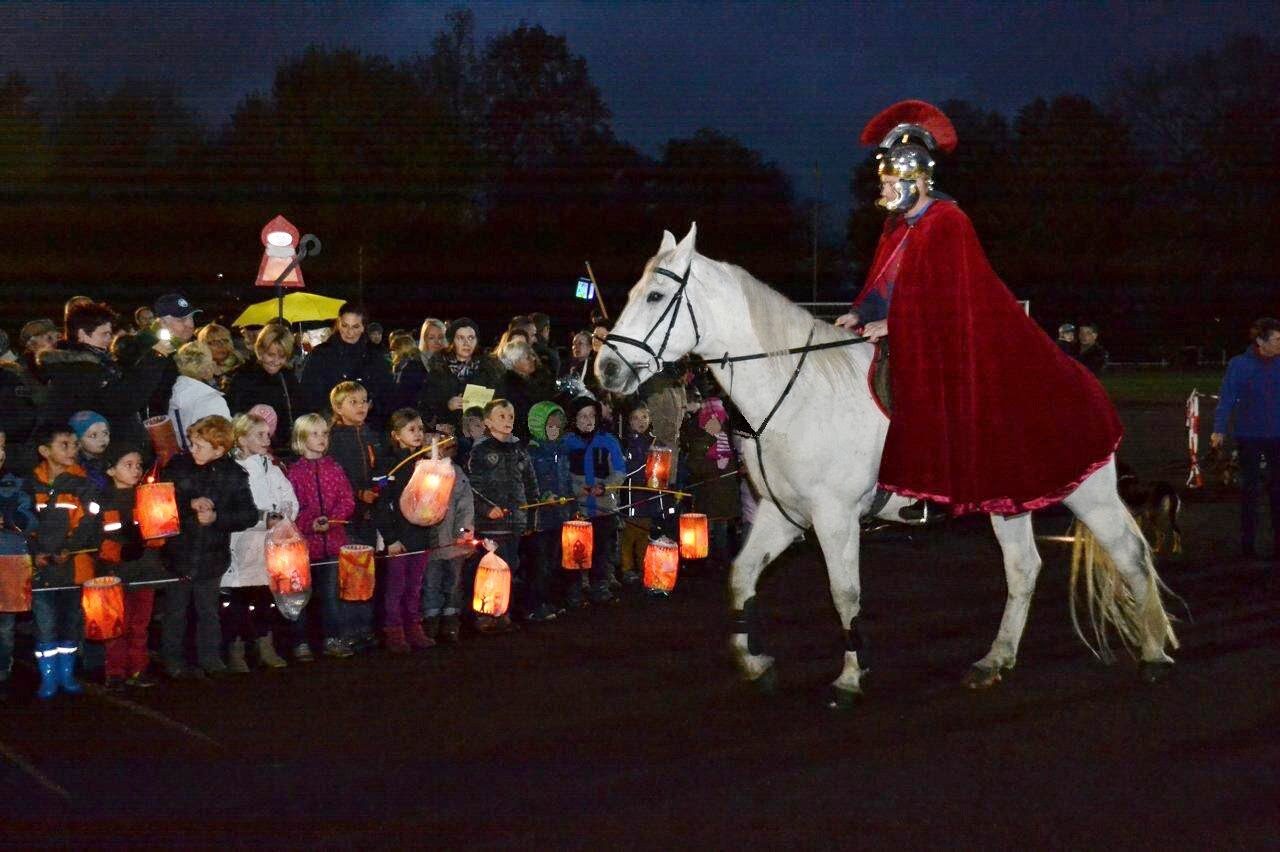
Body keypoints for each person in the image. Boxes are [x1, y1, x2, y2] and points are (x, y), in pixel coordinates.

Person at [834, 100, 1120, 515]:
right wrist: (862, 313)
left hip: (943, 338)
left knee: (920, 386)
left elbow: (949, 297)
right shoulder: (896, 227)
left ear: (916, 180)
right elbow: (885, 283)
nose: (883, 191)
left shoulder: (948, 222)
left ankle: (923, 487)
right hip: (903, 329)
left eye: (890, 182)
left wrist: (895, 324)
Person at [159, 415, 258, 679]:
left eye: (200, 446)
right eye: (192, 443)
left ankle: (211, 659)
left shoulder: (233, 474)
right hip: (178, 552)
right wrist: (189, 506)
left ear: (219, 449)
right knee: (175, 611)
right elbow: (158, 504)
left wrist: (217, 518)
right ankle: (173, 660)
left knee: (208, 610)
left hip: (212, 555)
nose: (193, 450)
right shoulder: (177, 466)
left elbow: (248, 514)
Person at [27, 422, 102, 699]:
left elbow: (90, 521)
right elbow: (23, 522)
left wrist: (68, 548)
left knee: (70, 622)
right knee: (45, 623)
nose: (73, 450)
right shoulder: (30, 484)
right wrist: (36, 551)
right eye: (65, 445)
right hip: (41, 570)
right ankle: (48, 678)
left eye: (74, 444)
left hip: (73, 569)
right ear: (44, 451)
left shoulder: (83, 485)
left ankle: (66, 675)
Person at [223, 412, 300, 670]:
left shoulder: (272, 468)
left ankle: (265, 645)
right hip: (244, 545)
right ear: (242, 439)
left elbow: (288, 495)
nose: (266, 439)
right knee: (240, 600)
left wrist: (286, 514)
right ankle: (236, 650)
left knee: (266, 598)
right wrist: (263, 519)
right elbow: (237, 508)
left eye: (268, 434)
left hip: (270, 546)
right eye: (259, 434)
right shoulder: (232, 471)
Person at [96, 442, 169, 690]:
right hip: (115, 575)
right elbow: (97, 539)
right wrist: (121, 551)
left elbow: (160, 534)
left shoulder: (148, 497)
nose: (136, 470)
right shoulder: (103, 501)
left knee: (140, 625)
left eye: (138, 465)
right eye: (128, 465)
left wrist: (149, 538)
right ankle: (114, 672)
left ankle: (138, 669)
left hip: (145, 571)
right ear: (110, 470)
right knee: (117, 625)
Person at [287, 413, 357, 658]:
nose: (321, 439)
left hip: (333, 542)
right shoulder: (294, 473)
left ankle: (332, 638)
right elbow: (291, 507)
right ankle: (300, 642)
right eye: (314, 434)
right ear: (301, 438)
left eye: (324, 433)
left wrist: (334, 520)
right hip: (305, 546)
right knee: (301, 597)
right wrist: (309, 524)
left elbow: (347, 499)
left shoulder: (334, 468)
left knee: (331, 595)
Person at [1211, 317, 1280, 561]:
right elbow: (1227, 397)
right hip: (1249, 436)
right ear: (1261, 342)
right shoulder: (1240, 365)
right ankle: (1248, 545)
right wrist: (1218, 429)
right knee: (1249, 491)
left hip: (1277, 437)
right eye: (1277, 339)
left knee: (1277, 491)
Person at [466, 399, 539, 630]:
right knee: (489, 568)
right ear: (488, 421)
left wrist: (530, 515)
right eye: (501, 416)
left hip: (514, 521)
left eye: (510, 417)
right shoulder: (481, 450)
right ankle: (485, 614)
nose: (507, 421)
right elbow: (472, 487)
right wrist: (488, 509)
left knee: (510, 566)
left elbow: (530, 483)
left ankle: (502, 611)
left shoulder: (519, 450)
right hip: (491, 525)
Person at [326, 381, 381, 651]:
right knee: (349, 576)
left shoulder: (368, 434)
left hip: (369, 514)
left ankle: (365, 628)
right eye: (353, 402)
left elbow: (378, 468)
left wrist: (378, 487)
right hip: (347, 518)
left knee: (366, 573)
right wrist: (359, 494)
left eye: (364, 401)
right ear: (338, 407)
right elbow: (338, 477)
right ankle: (348, 629)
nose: (361, 407)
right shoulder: (335, 438)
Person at [563, 396, 625, 606]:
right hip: (579, 508)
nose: (587, 420)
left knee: (601, 549)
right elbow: (562, 474)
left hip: (604, 507)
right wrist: (577, 490)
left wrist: (606, 487)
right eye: (582, 416)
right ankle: (576, 587)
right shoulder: (567, 443)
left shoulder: (609, 441)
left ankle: (600, 584)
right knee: (577, 551)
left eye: (591, 415)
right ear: (574, 419)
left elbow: (619, 471)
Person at [298, 303, 392, 428]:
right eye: (345, 325)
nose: (349, 332)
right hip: (331, 426)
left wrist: (369, 407)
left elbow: (386, 393)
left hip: (369, 427)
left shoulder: (375, 356)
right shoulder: (321, 354)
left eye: (355, 327)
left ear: (363, 327)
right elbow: (309, 395)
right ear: (338, 324)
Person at [420, 431, 474, 644]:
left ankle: (451, 617)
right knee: (431, 581)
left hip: (453, 540)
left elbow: (465, 504)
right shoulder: (418, 473)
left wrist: (464, 531)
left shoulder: (456, 473)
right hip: (430, 542)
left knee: (453, 580)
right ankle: (431, 617)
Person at [524, 402, 573, 620]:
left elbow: (567, 480)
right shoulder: (532, 453)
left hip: (559, 515)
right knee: (539, 562)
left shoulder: (561, 451)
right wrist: (543, 497)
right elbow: (529, 483)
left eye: (557, 425)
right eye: (549, 425)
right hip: (540, 518)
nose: (554, 429)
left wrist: (572, 506)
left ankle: (551, 599)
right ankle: (535, 604)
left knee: (554, 559)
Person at [682, 398, 741, 571]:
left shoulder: (724, 438)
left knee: (721, 529)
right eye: (712, 419)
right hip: (707, 494)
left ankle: (720, 559)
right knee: (705, 530)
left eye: (718, 419)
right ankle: (703, 560)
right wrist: (715, 466)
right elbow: (695, 465)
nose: (716, 423)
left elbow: (729, 463)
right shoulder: (700, 441)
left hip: (723, 495)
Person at [416, 317, 505, 433]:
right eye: (460, 338)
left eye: (471, 338)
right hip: (451, 436)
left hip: (483, 433)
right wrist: (447, 405)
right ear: (452, 341)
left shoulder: (489, 369)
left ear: (477, 341)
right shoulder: (439, 370)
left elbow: (501, 400)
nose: (466, 343)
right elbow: (426, 405)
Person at [225, 324, 301, 455]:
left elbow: (298, 411)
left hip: (285, 449)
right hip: (253, 450)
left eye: (282, 356)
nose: (275, 361)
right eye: (271, 355)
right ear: (260, 350)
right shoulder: (242, 377)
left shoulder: (287, 377)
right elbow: (234, 416)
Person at [619, 404, 664, 586]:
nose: (641, 422)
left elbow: (662, 468)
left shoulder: (656, 442)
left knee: (646, 533)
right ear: (629, 422)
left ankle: (644, 567)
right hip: (632, 496)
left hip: (650, 497)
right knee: (629, 535)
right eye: (636, 418)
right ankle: (627, 569)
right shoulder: (626, 442)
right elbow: (625, 469)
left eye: (644, 417)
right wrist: (645, 468)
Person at [169, 341, 231, 449]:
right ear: (206, 368)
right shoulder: (212, 401)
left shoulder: (171, 395)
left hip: (184, 457)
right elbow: (226, 440)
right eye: (212, 361)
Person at [497, 339, 557, 443]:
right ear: (515, 361)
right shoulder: (510, 387)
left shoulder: (532, 380)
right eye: (528, 357)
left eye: (532, 355)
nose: (533, 358)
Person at [69, 410, 111, 492]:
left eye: (105, 433)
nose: (102, 439)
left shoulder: (113, 460)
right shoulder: (73, 469)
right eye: (93, 435)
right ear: (78, 441)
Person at [197, 323, 246, 389]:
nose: (221, 345)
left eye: (224, 340)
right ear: (203, 346)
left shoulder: (243, 365)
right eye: (214, 342)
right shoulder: (197, 371)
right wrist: (210, 379)